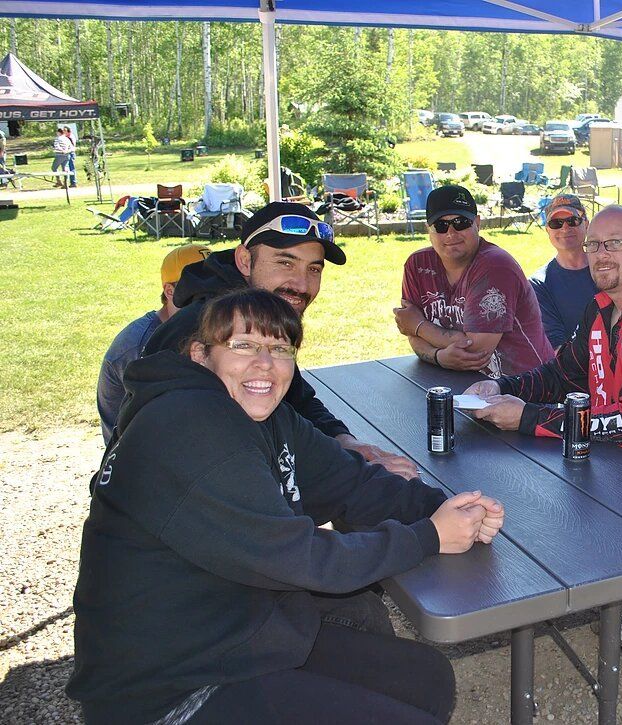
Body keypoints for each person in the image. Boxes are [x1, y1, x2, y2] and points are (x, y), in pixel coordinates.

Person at [67, 288, 505, 725]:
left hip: (234, 628)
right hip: (168, 688)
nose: (265, 363)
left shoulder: (267, 416)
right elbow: (304, 559)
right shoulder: (190, 425)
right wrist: (429, 536)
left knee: (423, 679)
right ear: (200, 355)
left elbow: (353, 483)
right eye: (243, 345)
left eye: (280, 349)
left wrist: (450, 508)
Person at [144, 201, 417, 478]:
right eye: (285, 263)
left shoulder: (260, 319)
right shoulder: (203, 331)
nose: (301, 285)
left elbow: (297, 399)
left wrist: (344, 441)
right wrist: (344, 468)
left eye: (314, 269)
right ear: (244, 261)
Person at [463, 205, 622, 457]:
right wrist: (500, 387)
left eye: (615, 243)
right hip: (607, 456)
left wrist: (527, 417)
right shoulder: (601, 306)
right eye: (593, 244)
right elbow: (563, 374)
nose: (601, 254)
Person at [395, 184, 554, 378]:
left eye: (461, 222)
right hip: (465, 386)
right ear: (429, 230)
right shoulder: (417, 266)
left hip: (527, 390)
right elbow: (410, 331)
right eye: (441, 226)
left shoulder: (495, 267)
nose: (451, 233)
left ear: (477, 223)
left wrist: (420, 326)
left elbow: (476, 350)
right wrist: (438, 356)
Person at [96, 243, 211, 441]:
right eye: (197, 291)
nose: (210, 299)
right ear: (169, 291)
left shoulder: (204, 325)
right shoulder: (139, 344)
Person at [530, 193, 597, 348]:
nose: (565, 228)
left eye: (572, 221)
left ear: (586, 224)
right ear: (547, 230)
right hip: (575, 368)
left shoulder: (607, 268)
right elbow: (555, 347)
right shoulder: (539, 284)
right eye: (556, 223)